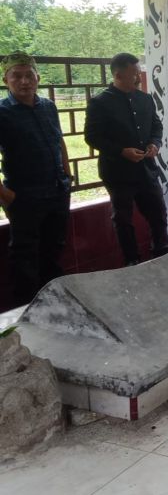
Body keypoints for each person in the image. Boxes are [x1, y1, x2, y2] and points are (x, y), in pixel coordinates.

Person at [0, 51, 72, 305]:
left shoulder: (48, 106)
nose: (23, 82)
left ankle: (53, 305)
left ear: (37, 78)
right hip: (24, 197)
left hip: (57, 191)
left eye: (28, 75)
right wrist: (6, 195)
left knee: (53, 250)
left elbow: (58, 140)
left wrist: (67, 173)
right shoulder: (2, 112)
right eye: (16, 76)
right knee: (25, 257)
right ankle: (26, 313)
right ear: (6, 80)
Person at [84, 52, 168, 266]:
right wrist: (121, 151)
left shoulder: (145, 98)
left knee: (158, 213)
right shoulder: (100, 103)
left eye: (139, 72)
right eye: (134, 73)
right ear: (118, 75)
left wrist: (154, 144)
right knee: (123, 219)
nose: (138, 77)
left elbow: (156, 126)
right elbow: (92, 137)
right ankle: (132, 261)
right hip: (118, 172)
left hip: (146, 168)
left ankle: (162, 255)